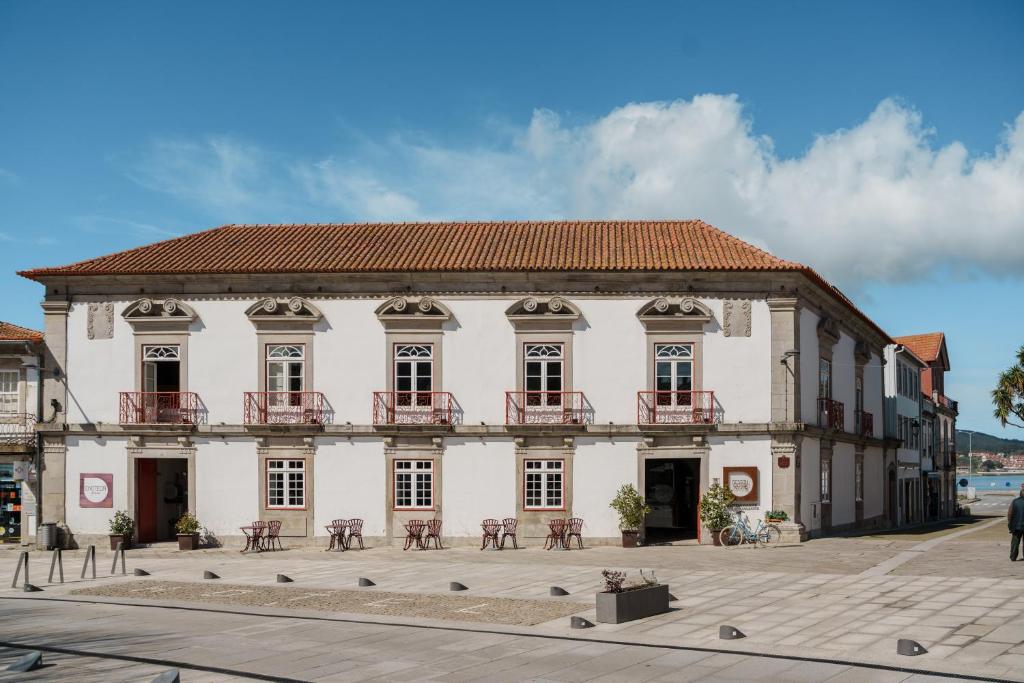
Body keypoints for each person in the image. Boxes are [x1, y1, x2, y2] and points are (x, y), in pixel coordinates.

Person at [1009, 483, 1024, 562]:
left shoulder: (1014, 502)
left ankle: (1013, 556)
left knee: (1015, 542)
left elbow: (1010, 514)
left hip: (1016, 525)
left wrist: (1010, 524)